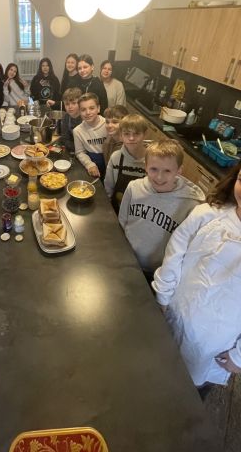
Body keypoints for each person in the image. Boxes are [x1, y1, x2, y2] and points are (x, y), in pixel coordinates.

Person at [152, 162, 241, 391]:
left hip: (213, 339)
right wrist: (163, 294)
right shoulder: (209, 214)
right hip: (177, 311)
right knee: (158, 368)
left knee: (187, 390)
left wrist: (239, 356)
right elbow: (175, 252)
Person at [119, 140, 205, 281]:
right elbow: (122, 221)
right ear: (145, 167)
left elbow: (185, 247)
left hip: (159, 273)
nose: (159, 177)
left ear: (179, 170)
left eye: (167, 171)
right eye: (154, 169)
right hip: (127, 260)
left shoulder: (190, 205)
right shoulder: (133, 188)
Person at [104, 114, 148, 213]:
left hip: (141, 213)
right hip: (117, 209)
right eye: (127, 134)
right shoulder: (116, 157)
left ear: (145, 134)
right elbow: (108, 186)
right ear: (121, 135)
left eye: (136, 133)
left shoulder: (151, 160)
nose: (131, 138)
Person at [73, 93, 107, 179]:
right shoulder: (77, 131)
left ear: (98, 108)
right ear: (79, 112)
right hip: (92, 162)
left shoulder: (108, 125)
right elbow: (80, 152)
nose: (88, 113)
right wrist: (89, 164)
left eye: (91, 108)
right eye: (83, 110)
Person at [61, 87, 82, 153]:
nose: (70, 107)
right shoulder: (66, 117)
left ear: (80, 103)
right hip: (73, 150)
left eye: (73, 103)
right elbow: (64, 138)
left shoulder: (85, 117)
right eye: (67, 104)